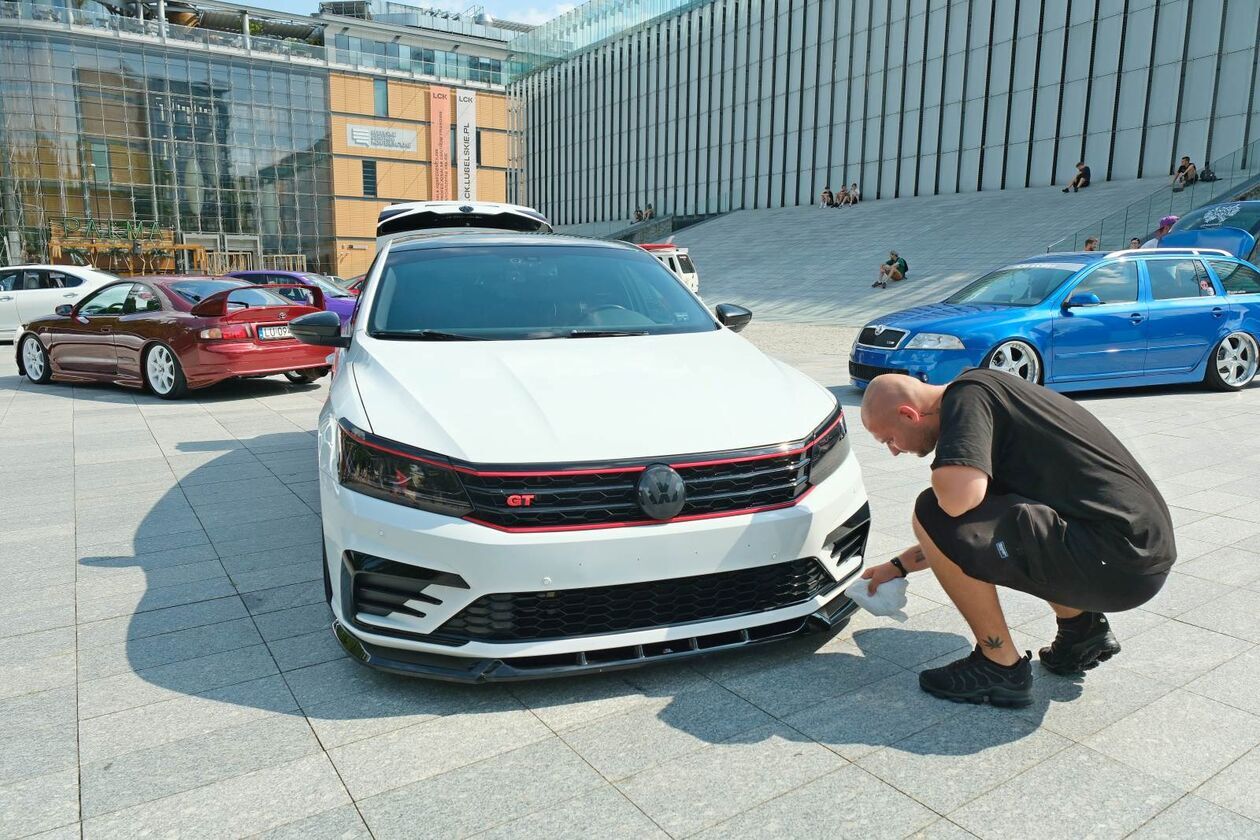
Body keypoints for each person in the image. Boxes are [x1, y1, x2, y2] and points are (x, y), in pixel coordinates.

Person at [859, 372, 1174, 707]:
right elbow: (969, 534)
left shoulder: (967, 399)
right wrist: (899, 566)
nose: (894, 451)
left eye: (889, 439)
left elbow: (956, 501)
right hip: (1132, 556)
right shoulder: (989, 391)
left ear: (909, 414)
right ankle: (1081, 630)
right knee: (990, 515)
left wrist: (945, 465)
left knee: (930, 507)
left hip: (1114, 562)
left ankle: (999, 665)